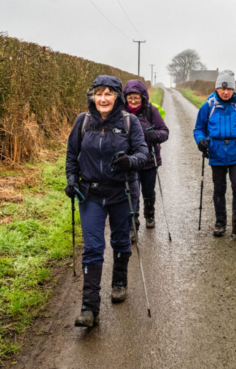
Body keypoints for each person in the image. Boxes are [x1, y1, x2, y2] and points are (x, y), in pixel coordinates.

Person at [65, 75, 149, 327]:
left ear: (117, 97)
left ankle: (119, 282)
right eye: (98, 93)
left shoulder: (129, 121)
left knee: (121, 240)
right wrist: (71, 179)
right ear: (92, 96)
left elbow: (143, 153)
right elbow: (71, 155)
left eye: (108, 94)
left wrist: (130, 161)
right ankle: (89, 309)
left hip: (122, 192)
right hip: (90, 194)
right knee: (92, 247)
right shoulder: (83, 121)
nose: (103, 98)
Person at [194, 70, 236, 242]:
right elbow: (198, 129)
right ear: (216, 88)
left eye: (229, 89)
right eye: (222, 89)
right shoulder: (208, 106)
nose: (225, 92)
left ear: (233, 89)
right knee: (219, 189)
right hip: (216, 155)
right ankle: (220, 222)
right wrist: (200, 141)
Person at [123, 79, 169, 237]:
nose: (133, 100)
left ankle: (149, 214)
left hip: (150, 160)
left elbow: (164, 132)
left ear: (143, 97)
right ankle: (133, 220)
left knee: (148, 191)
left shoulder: (151, 111)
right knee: (132, 192)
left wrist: (154, 135)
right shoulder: (121, 112)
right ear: (125, 98)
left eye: (136, 97)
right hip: (130, 161)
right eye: (130, 97)